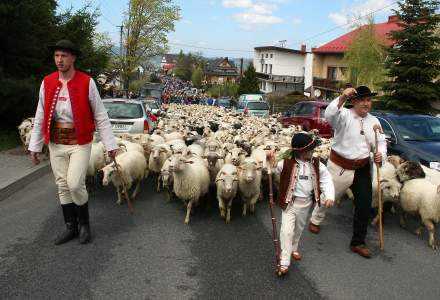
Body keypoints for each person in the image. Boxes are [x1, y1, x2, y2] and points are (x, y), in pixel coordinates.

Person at [28, 40, 118, 245]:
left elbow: (100, 115)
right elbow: (40, 114)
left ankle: (85, 225)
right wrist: (35, 145)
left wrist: (110, 145)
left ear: (73, 58)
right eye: (57, 56)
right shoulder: (48, 82)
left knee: (75, 184)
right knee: (62, 185)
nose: (59, 60)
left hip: (80, 142)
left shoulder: (87, 82)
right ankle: (71, 227)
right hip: (56, 142)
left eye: (64, 56)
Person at [310, 86, 386, 258]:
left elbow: (380, 142)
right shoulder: (343, 115)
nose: (366, 104)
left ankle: (358, 242)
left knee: (364, 205)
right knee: (328, 197)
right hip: (340, 167)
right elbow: (329, 114)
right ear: (354, 101)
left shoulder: (374, 121)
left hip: (362, 169)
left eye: (369, 100)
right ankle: (316, 218)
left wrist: (381, 154)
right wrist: (343, 96)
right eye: (362, 100)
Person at [267, 132, 335, 276]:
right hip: (290, 204)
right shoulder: (286, 163)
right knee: (286, 231)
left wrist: (329, 195)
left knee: (298, 229)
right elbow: (270, 170)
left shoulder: (317, 164)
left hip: (306, 204)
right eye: (309, 150)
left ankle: (294, 247)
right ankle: (284, 262)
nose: (312, 152)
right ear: (300, 151)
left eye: (312, 149)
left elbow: (326, 179)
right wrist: (268, 159)